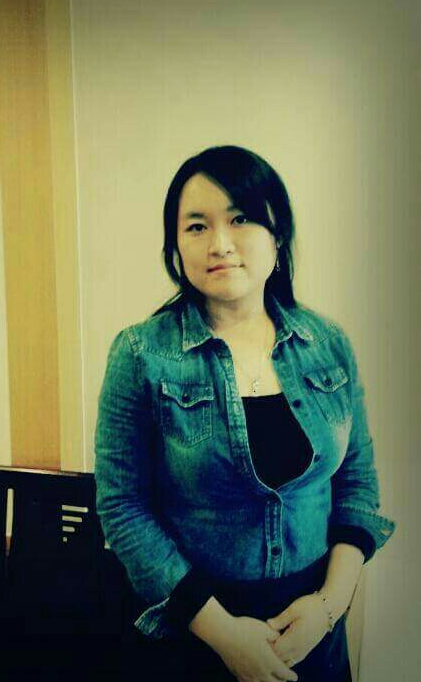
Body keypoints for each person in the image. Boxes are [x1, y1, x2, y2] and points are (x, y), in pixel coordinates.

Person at [94, 145, 396, 681]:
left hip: (314, 629)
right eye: (197, 226)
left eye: (240, 219)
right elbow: (123, 508)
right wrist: (224, 635)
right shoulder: (141, 354)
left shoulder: (328, 345)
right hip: (193, 630)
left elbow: (357, 485)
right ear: (175, 245)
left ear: (278, 234)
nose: (220, 243)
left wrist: (328, 607)